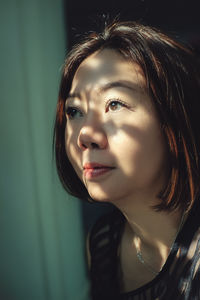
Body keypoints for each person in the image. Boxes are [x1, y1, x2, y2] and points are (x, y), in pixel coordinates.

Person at [53, 20, 200, 299]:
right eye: (74, 111)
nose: (85, 133)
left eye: (115, 104)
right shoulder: (103, 242)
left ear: (175, 120)